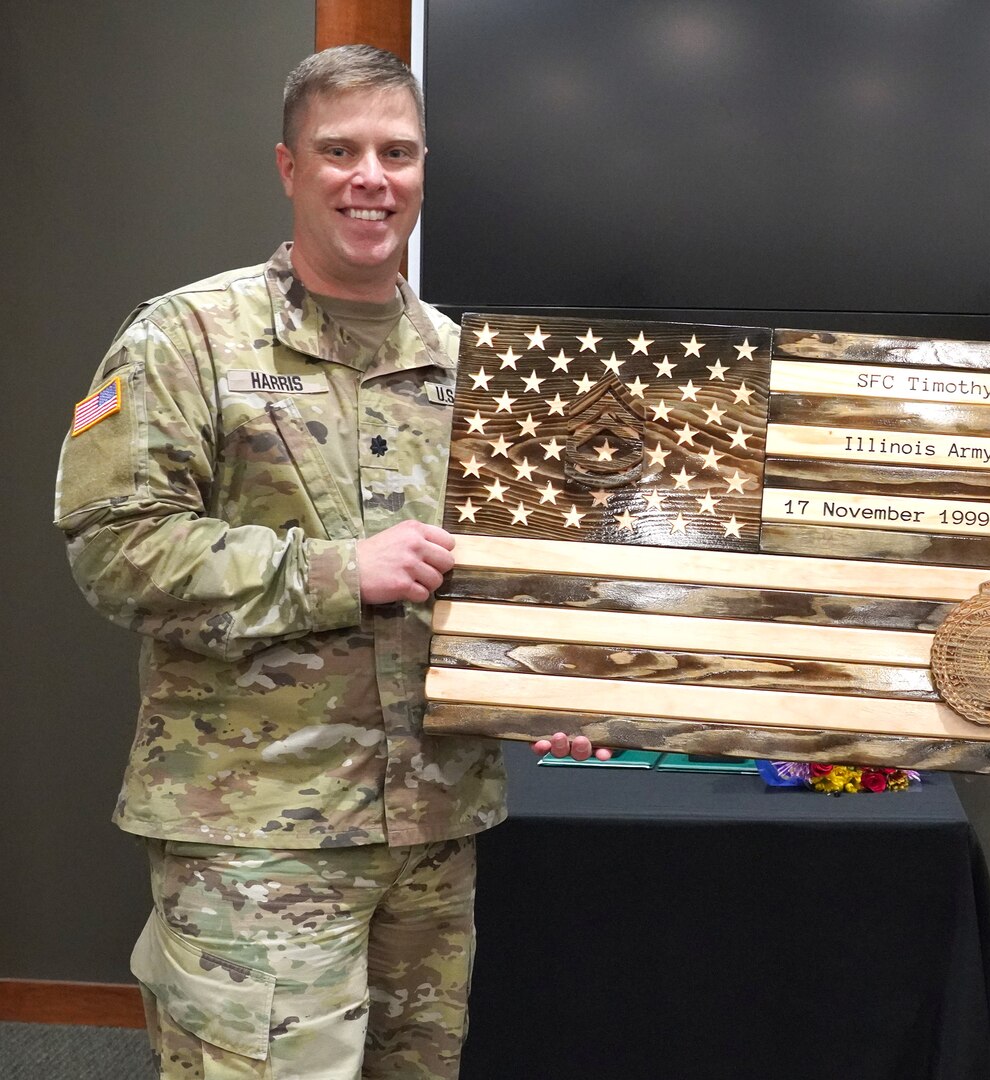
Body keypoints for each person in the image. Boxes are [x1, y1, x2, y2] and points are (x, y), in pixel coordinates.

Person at [54, 44, 600, 1078]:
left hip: (431, 834)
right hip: (254, 832)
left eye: (396, 152)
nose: (371, 177)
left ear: (424, 169)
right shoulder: (187, 340)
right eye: (339, 149)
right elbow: (115, 548)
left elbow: (502, 582)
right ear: (287, 167)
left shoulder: (467, 369)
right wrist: (337, 571)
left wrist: (551, 682)